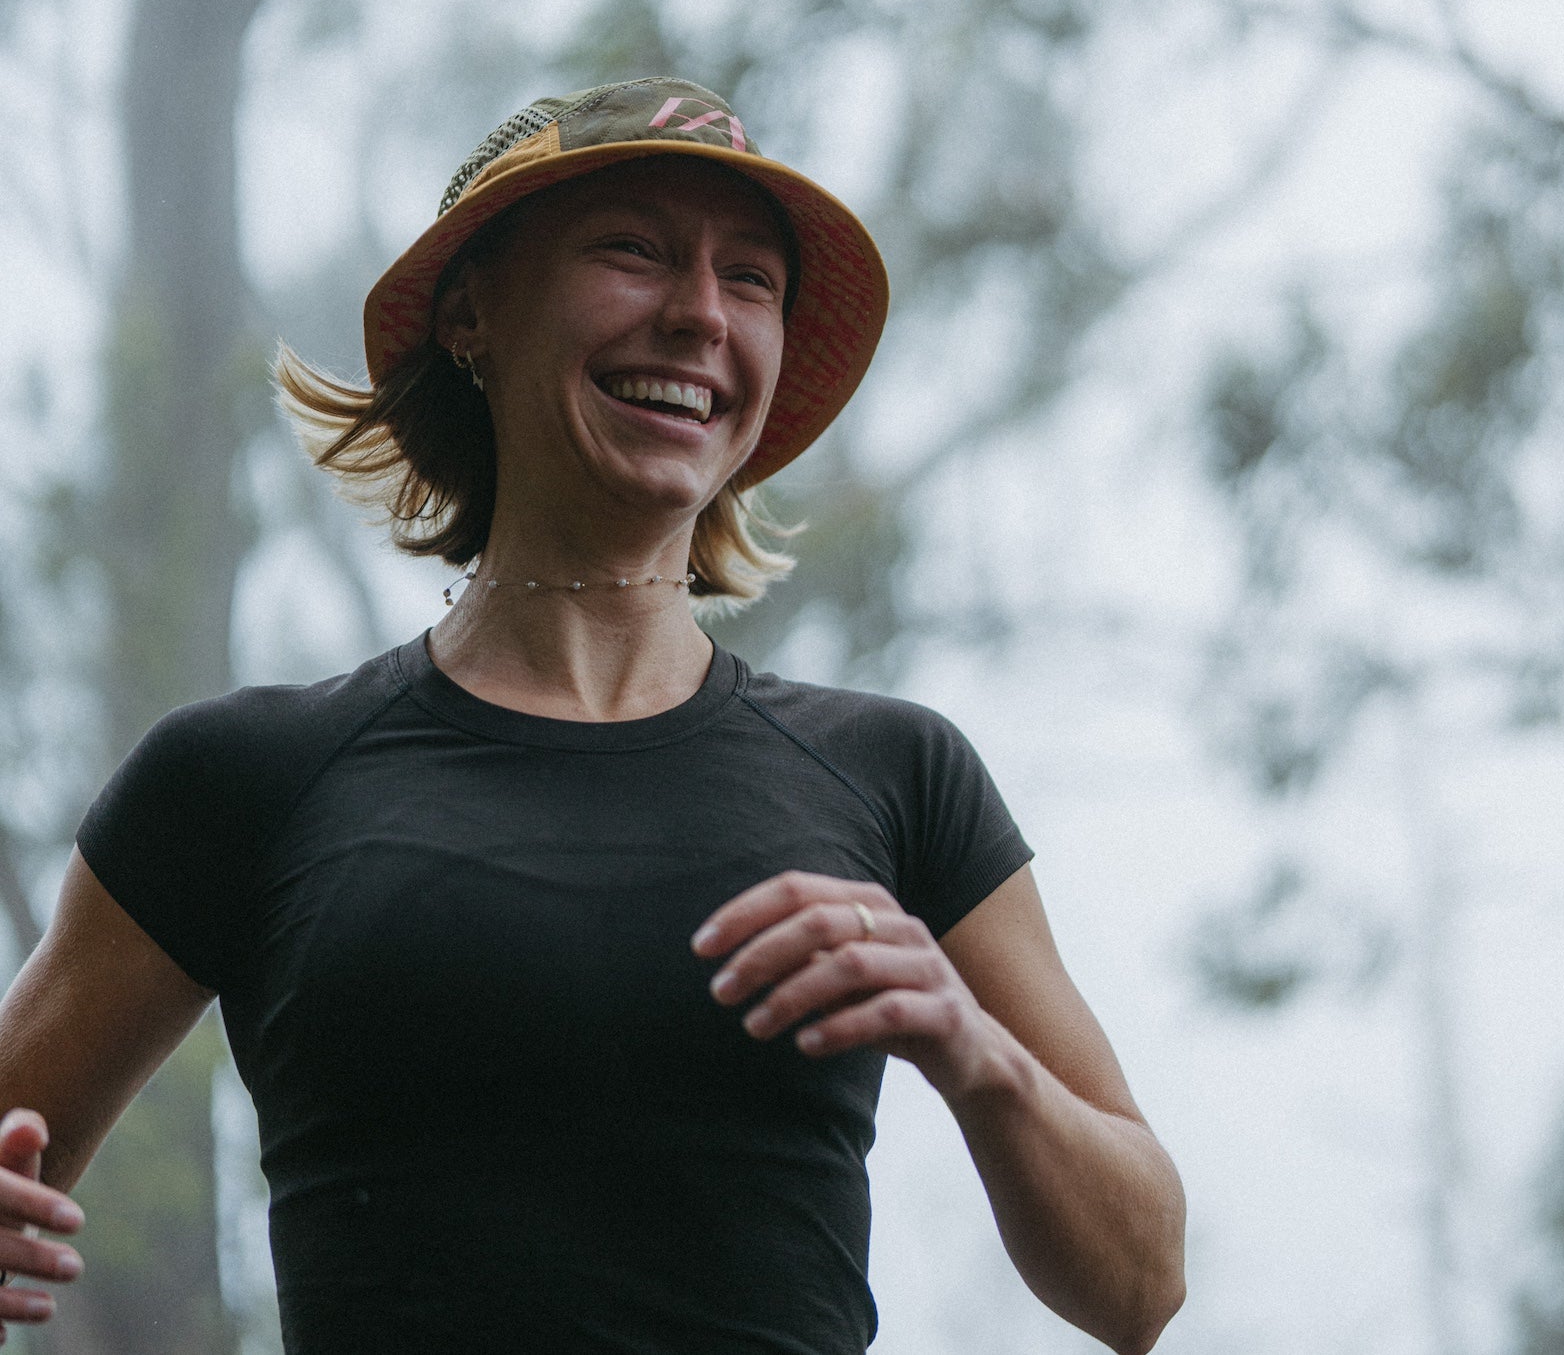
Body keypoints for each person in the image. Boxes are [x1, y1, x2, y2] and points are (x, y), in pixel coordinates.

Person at [0, 78, 1186, 1353]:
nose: (699, 313)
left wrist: (971, 1046)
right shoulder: (241, 777)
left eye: (750, 279)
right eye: (632, 249)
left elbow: (1138, 1286)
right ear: (471, 308)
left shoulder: (897, 773)